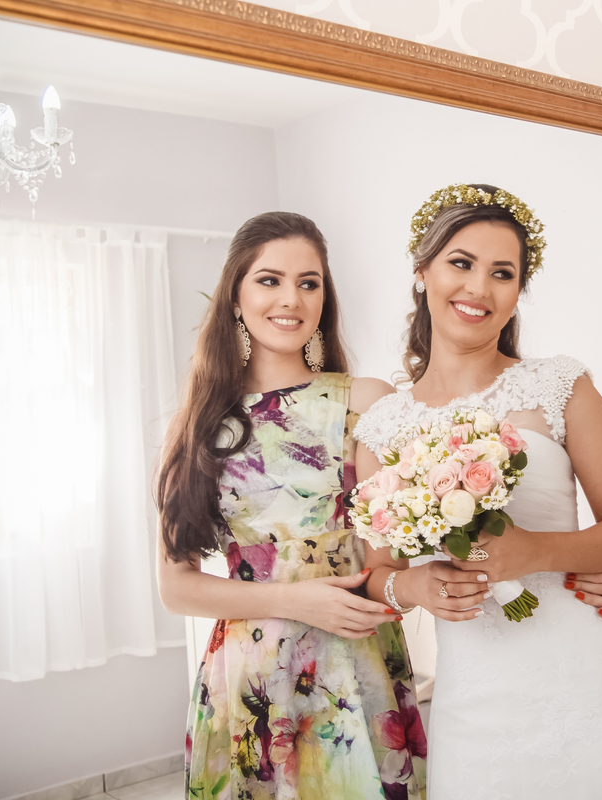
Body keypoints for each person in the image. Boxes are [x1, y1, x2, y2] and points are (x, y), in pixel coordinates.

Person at [353, 184, 602, 799]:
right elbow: (378, 570)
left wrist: (533, 553)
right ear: (422, 273)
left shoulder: (560, 386)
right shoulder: (384, 424)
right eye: (460, 263)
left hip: (589, 683)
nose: (479, 289)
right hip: (472, 701)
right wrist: (415, 585)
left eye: (503, 273)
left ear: (518, 292)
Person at [155, 212, 427, 799]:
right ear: (236, 295)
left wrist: (476, 545)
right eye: (270, 280)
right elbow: (177, 587)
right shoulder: (196, 425)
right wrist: (293, 600)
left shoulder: (364, 401)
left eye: (310, 282)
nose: (292, 298)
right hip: (245, 679)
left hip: (352, 669)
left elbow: (391, 562)